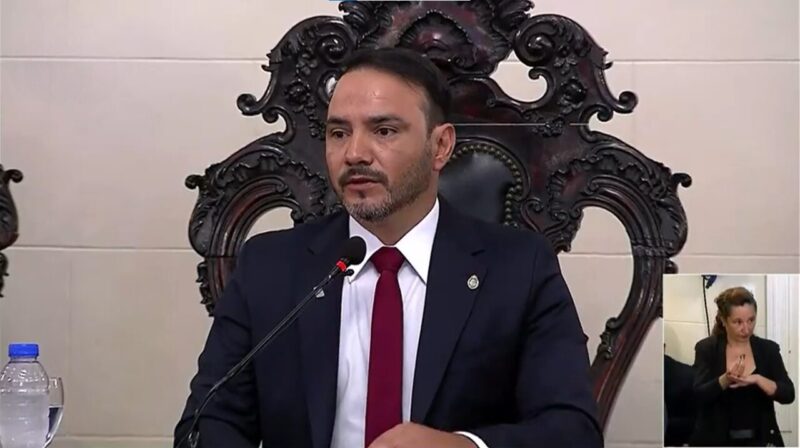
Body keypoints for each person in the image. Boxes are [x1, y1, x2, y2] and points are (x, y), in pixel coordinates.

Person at [174, 47, 602, 448]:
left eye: (383, 130)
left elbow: (573, 429)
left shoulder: (519, 267)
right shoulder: (270, 267)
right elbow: (208, 422)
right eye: (338, 132)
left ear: (440, 146)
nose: (355, 153)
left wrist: (461, 446)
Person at [690, 287, 795, 446]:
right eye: (738, 322)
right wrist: (725, 380)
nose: (746, 329)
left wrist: (759, 380)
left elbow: (789, 394)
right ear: (724, 320)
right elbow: (698, 396)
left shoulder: (768, 350)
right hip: (716, 441)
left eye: (751, 320)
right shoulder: (707, 349)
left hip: (760, 441)